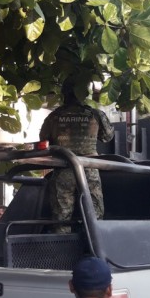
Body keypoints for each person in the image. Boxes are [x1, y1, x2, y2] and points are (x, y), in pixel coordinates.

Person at [39, 81, 114, 232]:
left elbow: (43, 139)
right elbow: (108, 136)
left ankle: (62, 251)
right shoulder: (95, 114)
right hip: (89, 169)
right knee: (95, 215)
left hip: (63, 169)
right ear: (84, 94)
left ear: (64, 94)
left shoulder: (54, 116)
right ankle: (94, 249)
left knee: (61, 217)